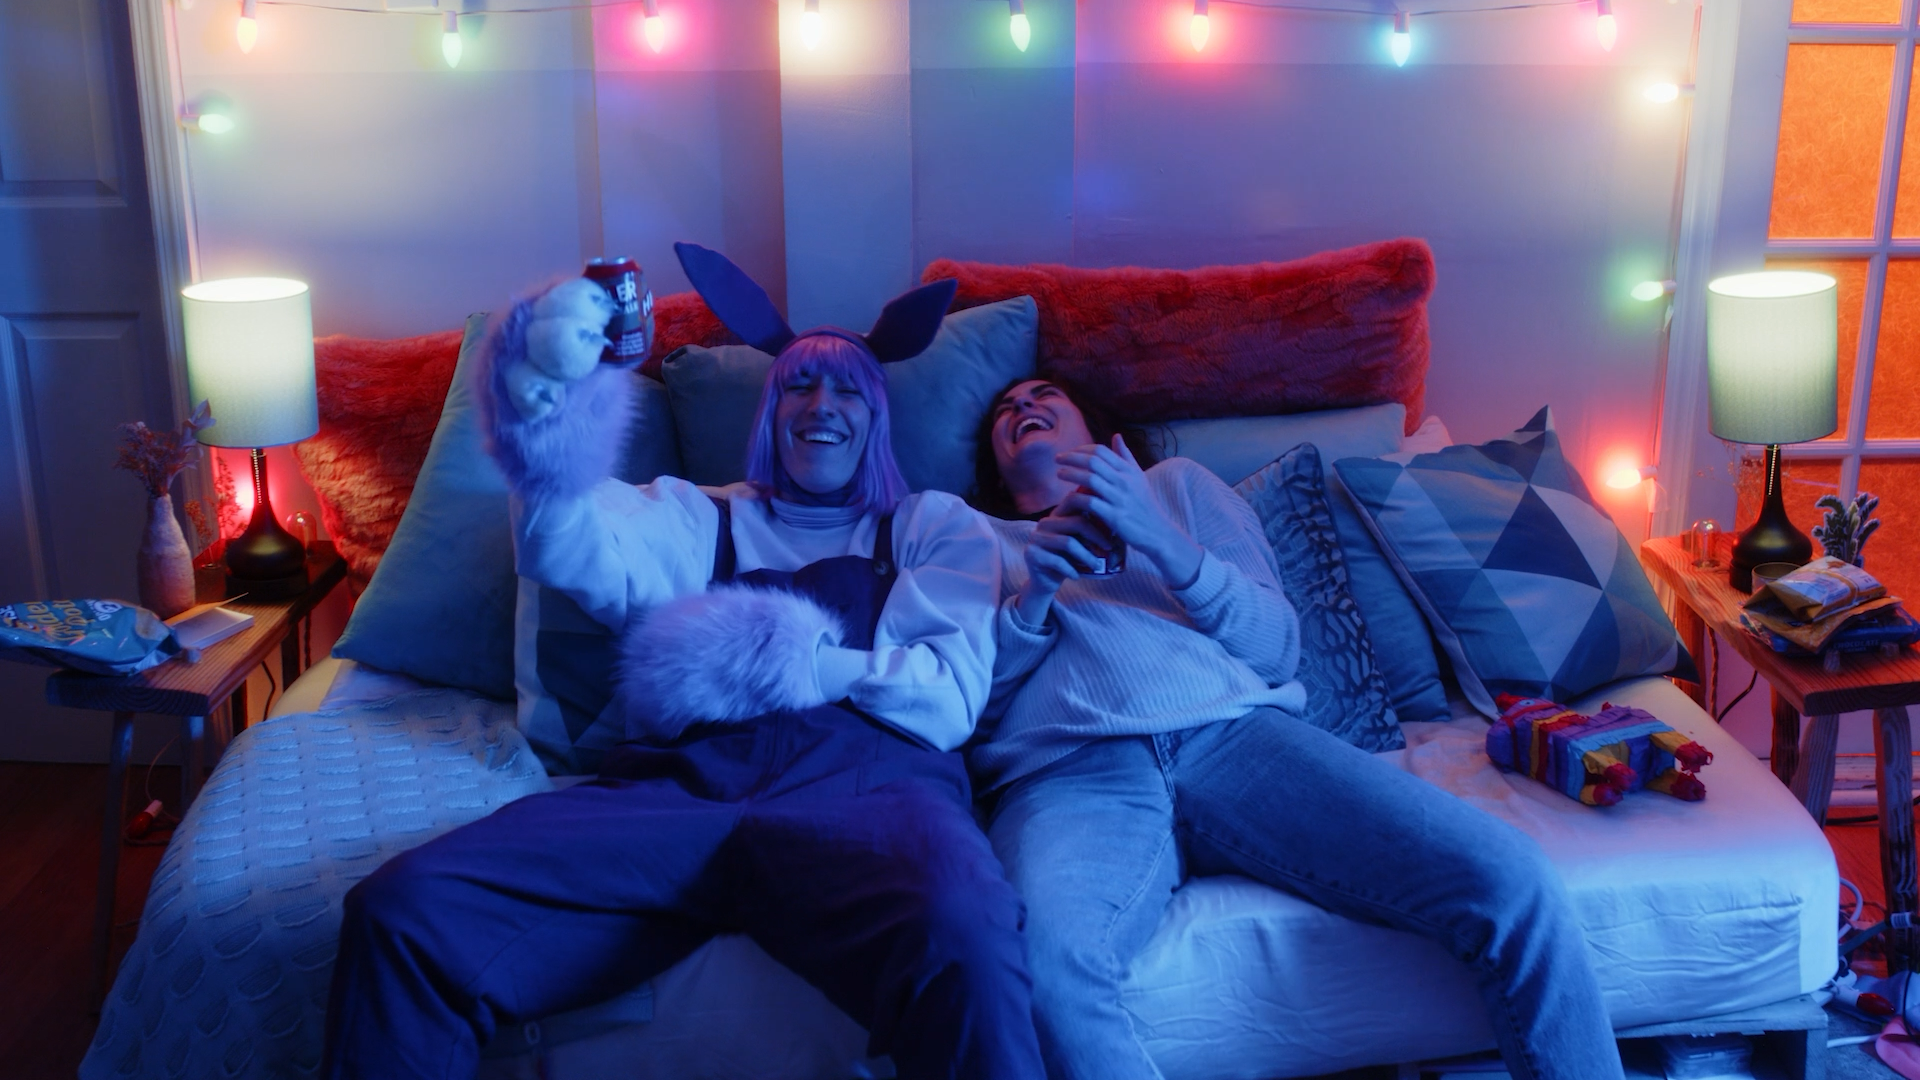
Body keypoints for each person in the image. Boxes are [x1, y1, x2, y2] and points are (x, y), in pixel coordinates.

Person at [322, 246, 1044, 1080]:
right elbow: (571, 549)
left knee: (964, 931)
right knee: (405, 911)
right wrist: (550, 417)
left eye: (849, 390)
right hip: (678, 790)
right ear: (770, 412)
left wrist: (765, 654)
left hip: (869, 792)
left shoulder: (930, 524)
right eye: (800, 386)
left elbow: (946, 697)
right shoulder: (697, 514)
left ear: (877, 419)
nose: (822, 405)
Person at [970, 376, 1625, 1080]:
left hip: (1236, 739)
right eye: (1005, 409)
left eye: (1044, 395)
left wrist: (1156, 534)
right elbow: (969, 707)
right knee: (1041, 969)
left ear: (1098, 432)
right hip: (1071, 775)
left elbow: (1277, 649)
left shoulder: (1178, 486)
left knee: (1515, 881)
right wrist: (1034, 593)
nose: (1023, 407)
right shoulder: (972, 537)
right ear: (995, 469)